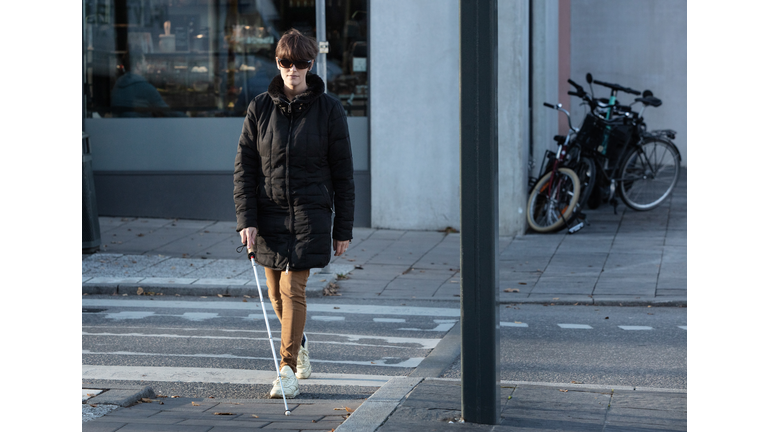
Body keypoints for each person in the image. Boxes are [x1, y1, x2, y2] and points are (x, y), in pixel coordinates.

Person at [233, 28, 355, 399]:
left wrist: (342, 228)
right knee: (274, 293)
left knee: (292, 288)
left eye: (300, 63)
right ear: (277, 63)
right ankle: (299, 345)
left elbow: (343, 172)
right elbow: (245, 168)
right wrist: (247, 219)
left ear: (311, 65)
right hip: (269, 213)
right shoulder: (259, 108)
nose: (293, 70)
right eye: (286, 62)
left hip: (310, 213)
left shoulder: (329, 109)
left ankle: (285, 369)